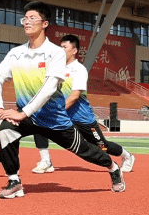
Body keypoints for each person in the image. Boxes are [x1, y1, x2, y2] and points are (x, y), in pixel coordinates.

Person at [0, 1, 126, 199]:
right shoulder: (15, 53)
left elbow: (49, 88)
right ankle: (14, 181)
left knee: (86, 151)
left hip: (55, 120)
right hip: (28, 117)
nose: (27, 22)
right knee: (6, 131)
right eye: (25, 19)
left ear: (45, 23)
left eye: (32, 18)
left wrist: (22, 112)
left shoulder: (55, 53)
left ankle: (113, 167)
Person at [29, 34, 136, 175]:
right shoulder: (55, 68)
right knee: (40, 125)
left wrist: (57, 110)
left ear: (74, 51)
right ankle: (46, 161)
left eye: (64, 47)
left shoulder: (79, 70)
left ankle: (127, 156)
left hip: (83, 119)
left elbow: (74, 96)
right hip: (65, 118)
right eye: (59, 47)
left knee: (102, 146)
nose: (60, 50)